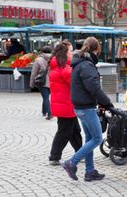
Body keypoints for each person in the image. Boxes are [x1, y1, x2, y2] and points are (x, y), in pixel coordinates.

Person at [62, 37, 114, 181]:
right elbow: (94, 87)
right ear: (96, 50)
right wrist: (107, 102)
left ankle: (90, 171)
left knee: (90, 138)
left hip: (80, 106)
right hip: (86, 108)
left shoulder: (79, 63)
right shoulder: (86, 65)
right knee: (97, 138)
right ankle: (71, 162)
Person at [48, 41, 83, 165]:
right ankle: (54, 156)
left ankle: (81, 152)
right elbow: (76, 84)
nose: (72, 53)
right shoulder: (65, 69)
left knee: (74, 131)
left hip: (64, 104)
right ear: (64, 53)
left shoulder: (58, 66)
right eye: (70, 51)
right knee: (64, 132)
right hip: (66, 105)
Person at [29, 46, 53, 120]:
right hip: (52, 80)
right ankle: (44, 111)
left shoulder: (38, 60)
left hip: (42, 81)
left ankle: (50, 113)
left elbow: (34, 73)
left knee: (45, 97)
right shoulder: (54, 59)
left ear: (42, 51)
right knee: (46, 97)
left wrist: (31, 83)